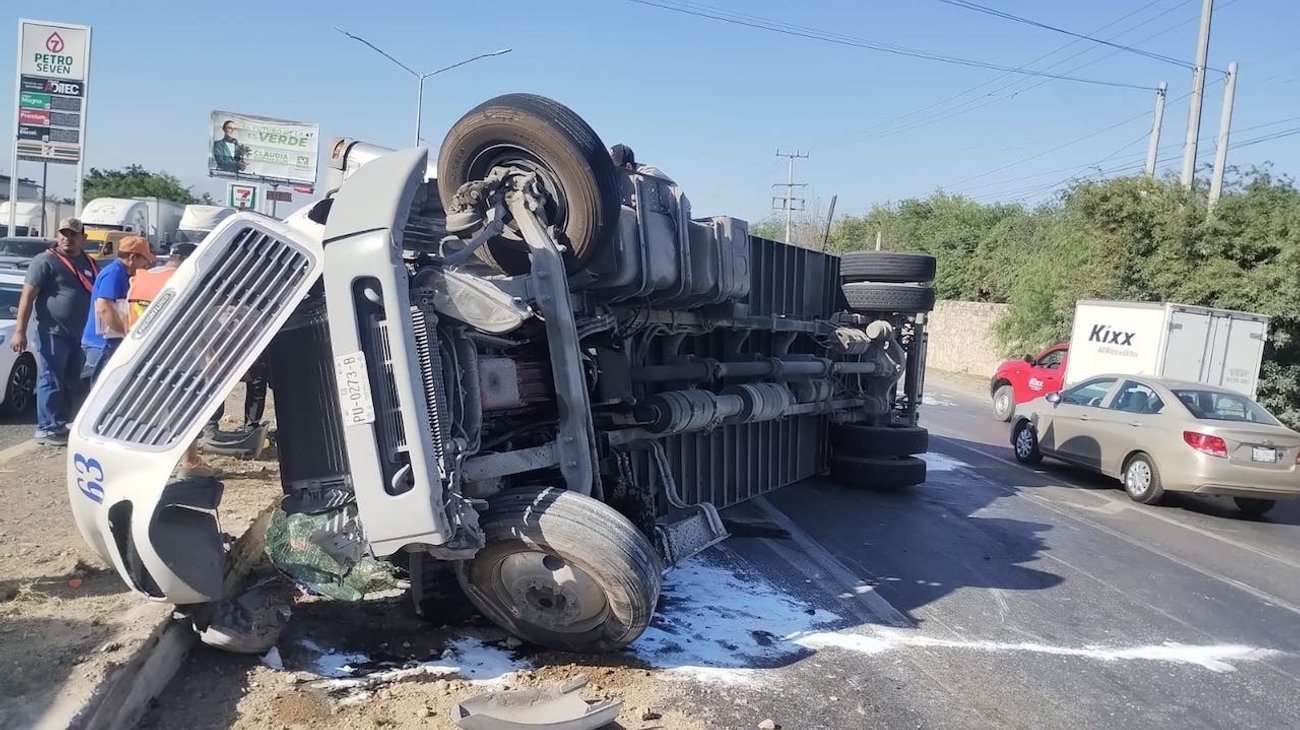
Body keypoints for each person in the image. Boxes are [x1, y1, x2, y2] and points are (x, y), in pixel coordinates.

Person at [127, 242, 222, 478]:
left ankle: (140, 464)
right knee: (185, 411)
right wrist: (209, 354)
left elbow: (127, 314)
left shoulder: (141, 278)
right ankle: (189, 464)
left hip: (140, 356)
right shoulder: (187, 281)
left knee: (144, 412)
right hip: (179, 359)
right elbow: (197, 326)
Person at [13, 218, 99, 446]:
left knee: (72, 381)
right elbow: (27, 296)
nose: (67, 238)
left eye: (73, 234)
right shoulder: (45, 261)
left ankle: (60, 423)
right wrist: (20, 331)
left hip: (80, 335)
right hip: (53, 332)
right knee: (51, 377)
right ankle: (46, 428)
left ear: (83, 238)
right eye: (63, 233)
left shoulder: (89, 263)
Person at [82, 236, 154, 382]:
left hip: (107, 343)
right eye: (145, 259)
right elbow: (104, 307)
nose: (146, 265)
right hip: (103, 345)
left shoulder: (119, 272)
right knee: (103, 386)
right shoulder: (114, 273)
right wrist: (126, 333)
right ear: (132, 258)